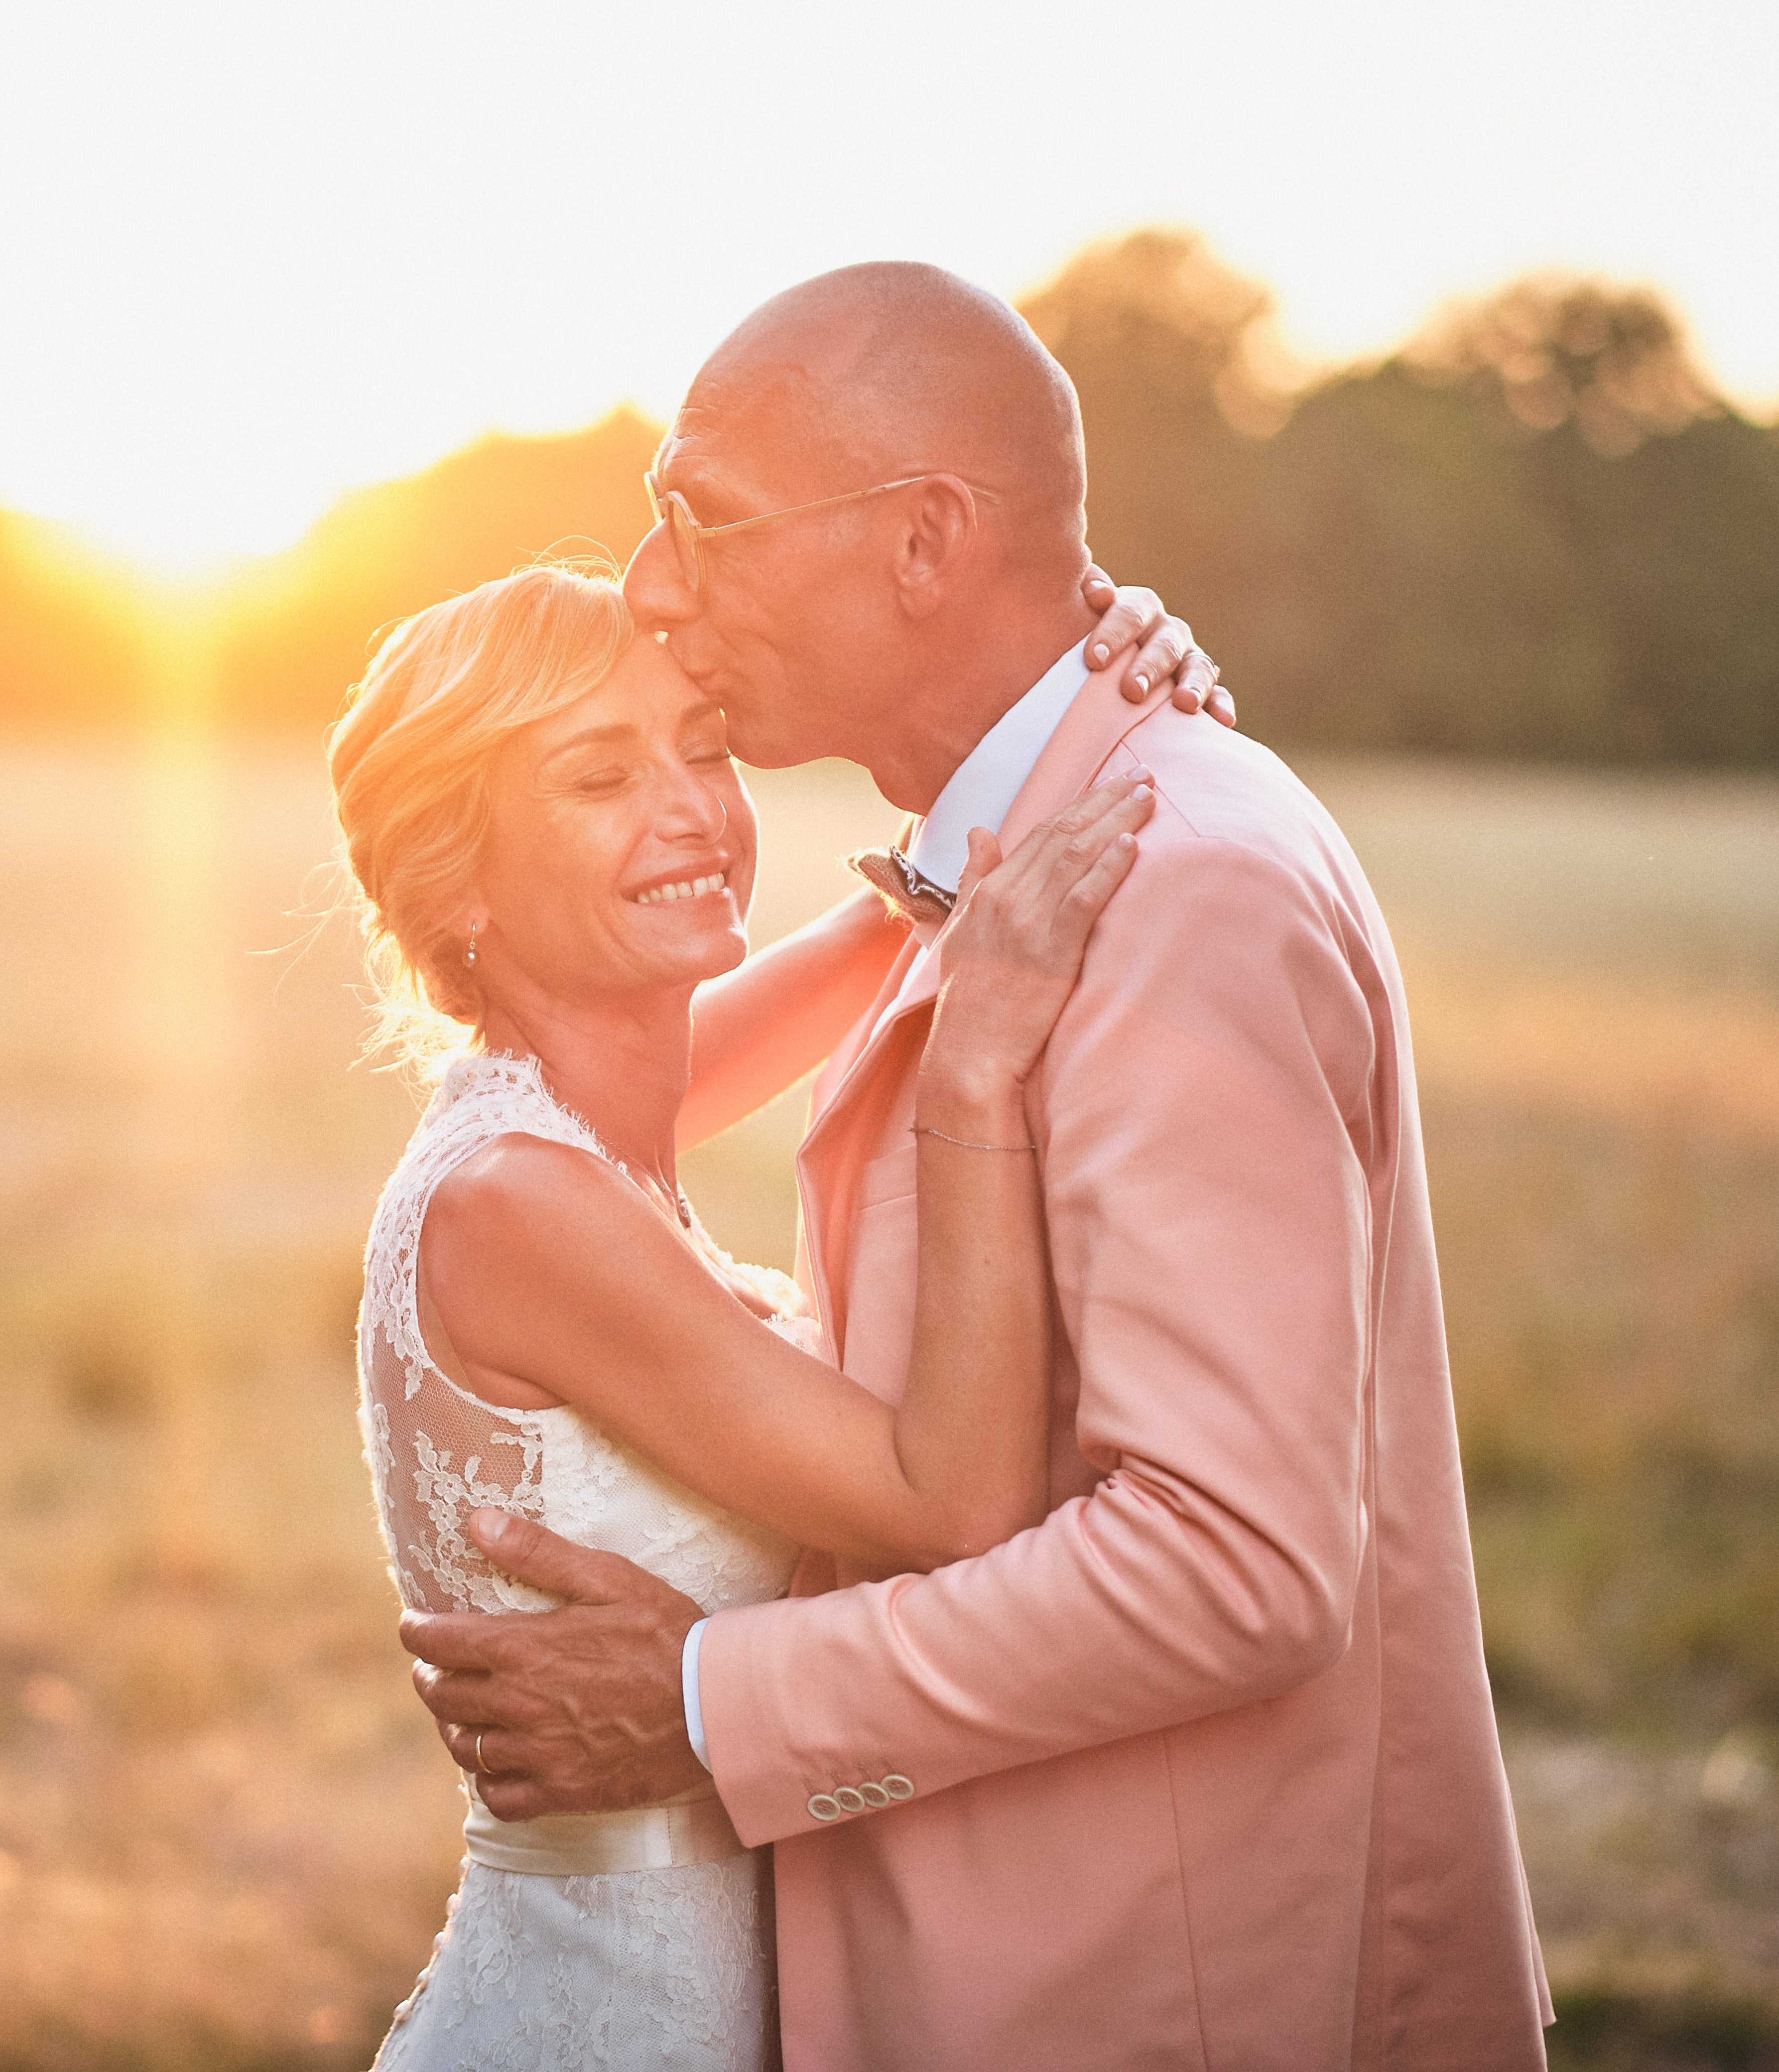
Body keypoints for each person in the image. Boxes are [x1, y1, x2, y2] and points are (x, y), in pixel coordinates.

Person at [400, 263, 1553, 2069]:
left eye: (699, 518)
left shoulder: (1180, 893)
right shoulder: (1026, 876)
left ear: (924, 542)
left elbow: (1233, 1565)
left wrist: (711, 1702)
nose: (651, 583)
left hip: (1138, 1998)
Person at [329, 559, 1210, 2069]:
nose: (692, 811)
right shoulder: (518, 1208)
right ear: (455, 876)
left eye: (705, 749)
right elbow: (953, 1502)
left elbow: (867, 944)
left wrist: (1085, 695)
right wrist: (974, 1066)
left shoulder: (585, 1117)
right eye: (602, 773)